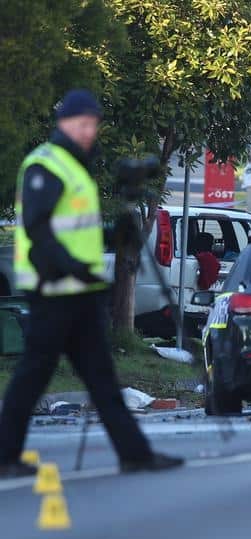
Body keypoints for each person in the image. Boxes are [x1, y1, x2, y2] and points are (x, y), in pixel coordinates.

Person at [0, 89, 184, 478]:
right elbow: (38, 228)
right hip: (54, 290)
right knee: (33, 375)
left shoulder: (74, 167)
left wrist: (111, 240)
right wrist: (72, 269)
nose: (88, 132)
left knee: (101, 378)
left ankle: (135, 454)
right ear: (63, 123)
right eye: (81, 124)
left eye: (92, 125)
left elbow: (75, 231)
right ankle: (5, 455)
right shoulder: (47, 165)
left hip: (78, 291)